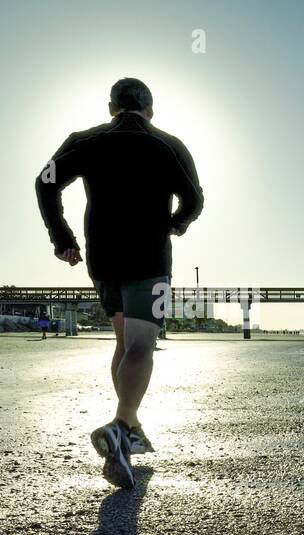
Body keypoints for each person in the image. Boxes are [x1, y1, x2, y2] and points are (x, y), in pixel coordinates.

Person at [35, 77, 203, 490]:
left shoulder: (86, 140)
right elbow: (194, 198)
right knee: (143, 346)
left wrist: (63, 239)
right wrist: (176, 224)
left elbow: (45, 181)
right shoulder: (168, 144)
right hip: (150, 259)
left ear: (112, 106)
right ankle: (121, 426)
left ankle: (128, 432)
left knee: (124, 345)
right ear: (150, 108)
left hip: (103, 258)